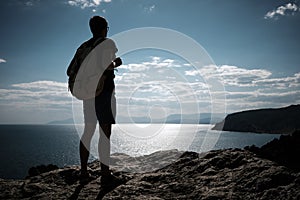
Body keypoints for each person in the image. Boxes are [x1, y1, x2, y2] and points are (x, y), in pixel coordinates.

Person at [77, 16, 122, 185]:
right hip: (104, 92)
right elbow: (105, 65)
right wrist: (116, 63)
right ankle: (105, 175)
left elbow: (71, 70)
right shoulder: (107, 43)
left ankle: (83, 172)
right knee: (105, 134)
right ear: (105, 28)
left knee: (88, 132)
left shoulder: (84, 46)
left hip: (88, 93)